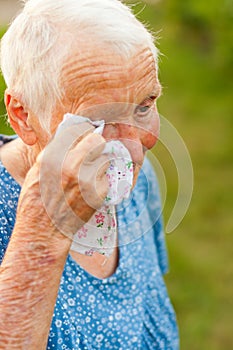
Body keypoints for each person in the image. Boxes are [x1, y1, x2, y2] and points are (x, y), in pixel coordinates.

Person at [0, 0, 179, 349]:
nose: (133, 151)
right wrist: (42, 231)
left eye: (144, 106)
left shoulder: (138, 180)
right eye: (99, 122)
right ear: (23, 116)